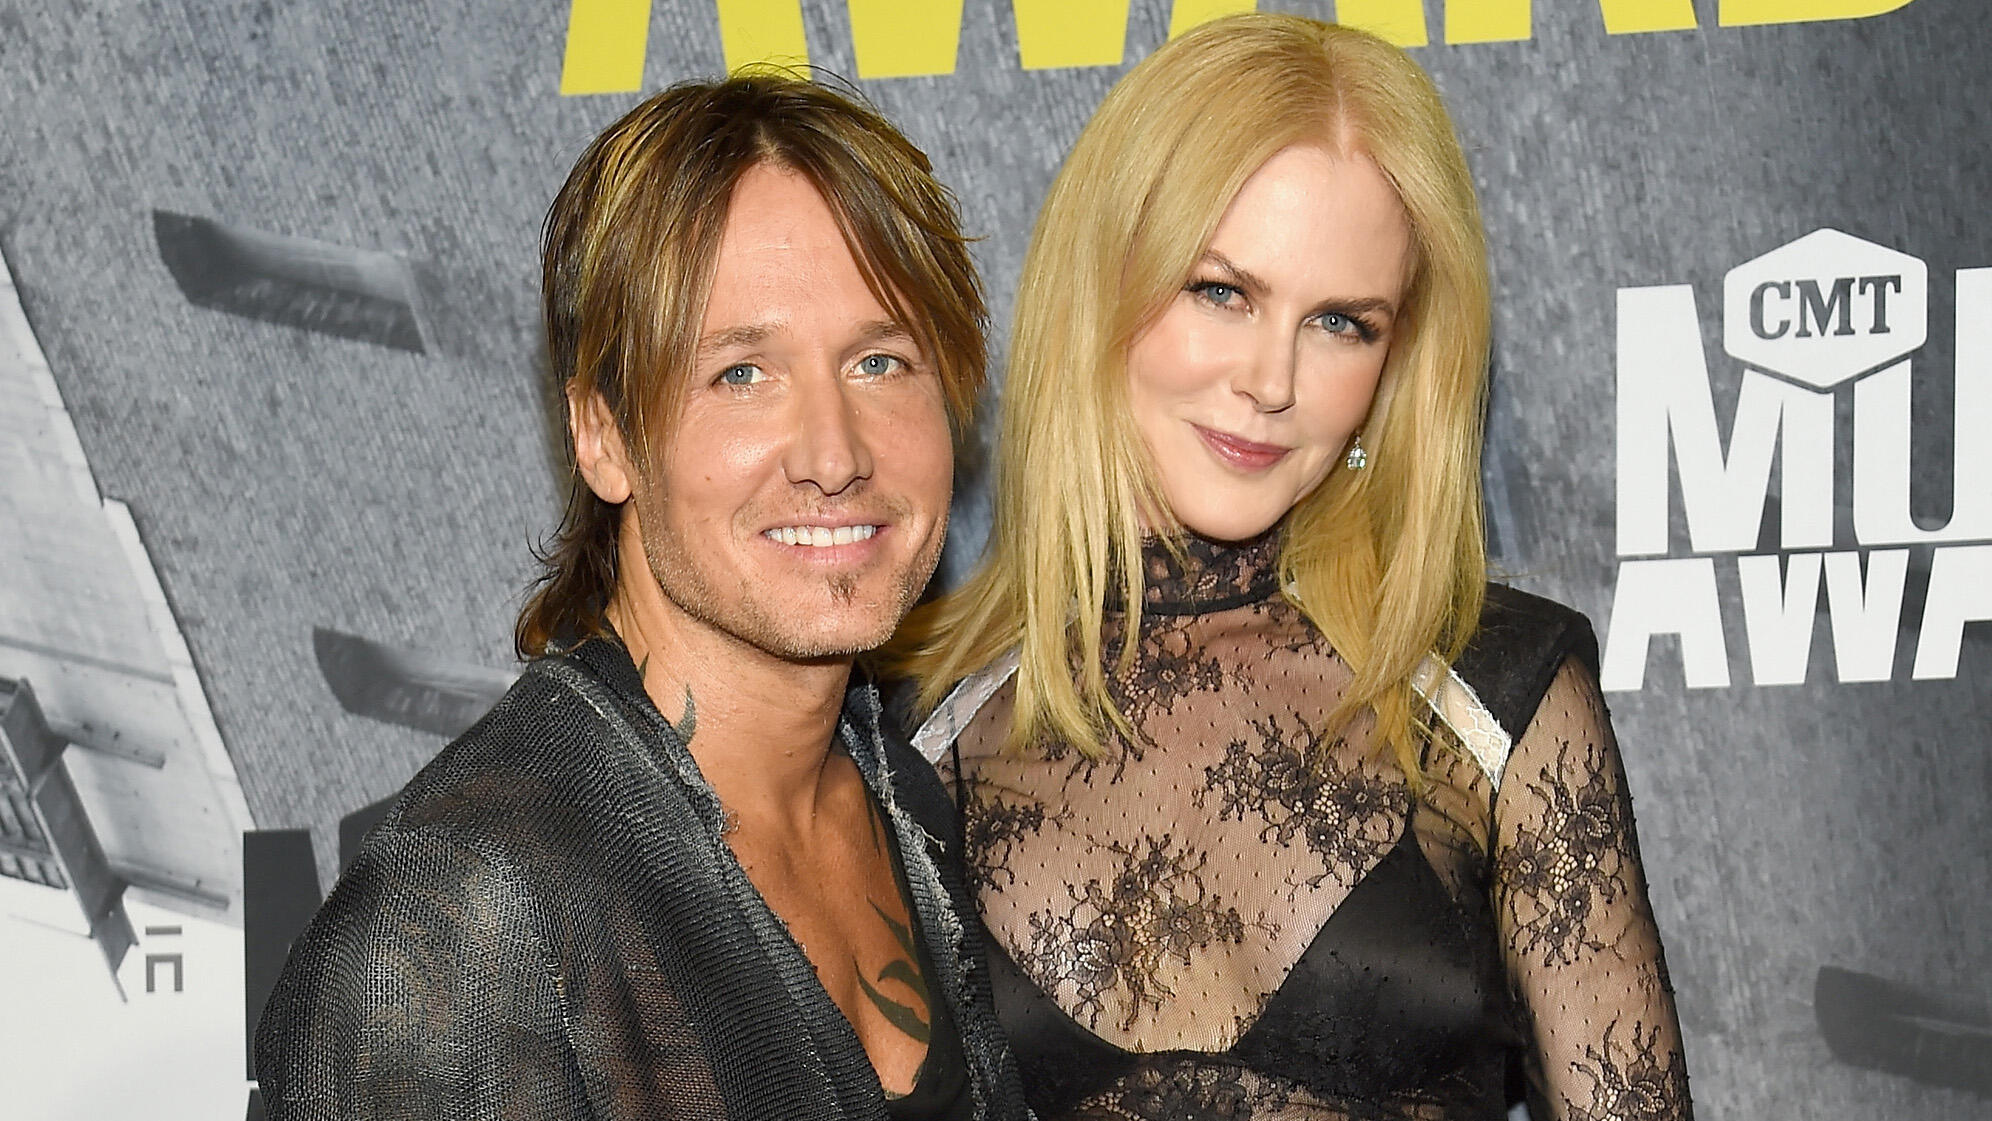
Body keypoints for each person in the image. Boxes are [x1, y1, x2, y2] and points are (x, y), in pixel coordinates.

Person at [890, 14, 1692, 1121]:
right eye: (1222, 291)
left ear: (1397, 361)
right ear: (1104, 285)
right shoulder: (914, 735)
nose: (1272, 379)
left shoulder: (1497, 695)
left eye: (1340, 322)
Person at [255, 75, 1030, 1121]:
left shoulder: (908, 794)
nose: (835, 452)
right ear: (603, 434)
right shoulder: (457, 932)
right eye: (742, 374)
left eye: (881, 360)